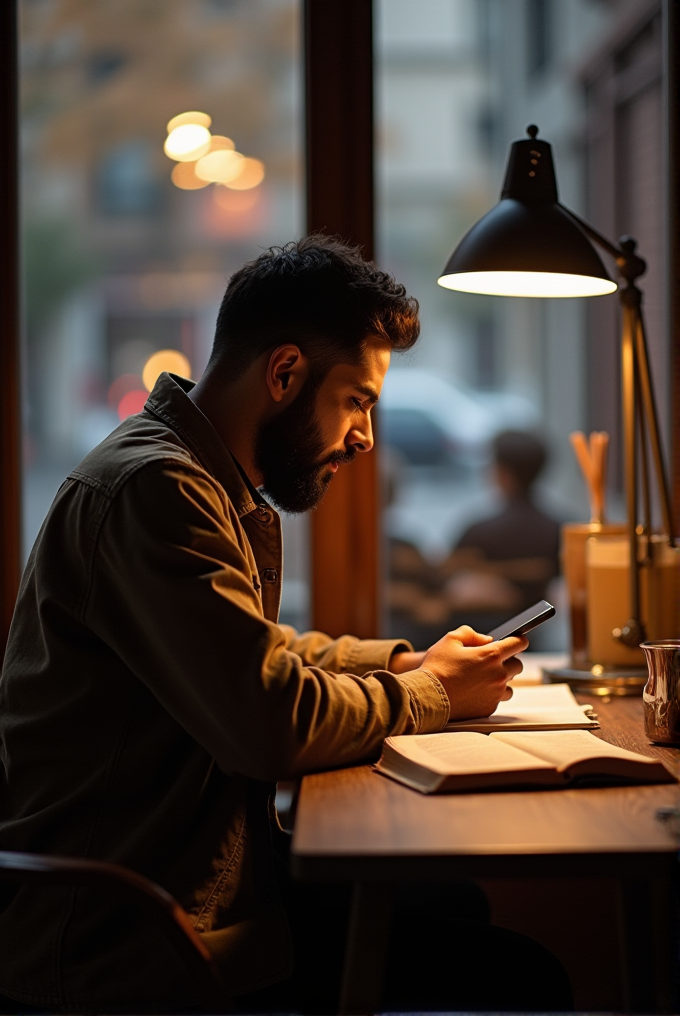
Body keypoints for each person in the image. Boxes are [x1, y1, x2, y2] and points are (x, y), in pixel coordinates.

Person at [0, 237, 570, 1013]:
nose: (366, 437)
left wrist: (409, 662)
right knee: (521, 978)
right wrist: (435, 693)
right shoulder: (154, 491)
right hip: (132, 935)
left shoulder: (194, 478)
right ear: (285, 373)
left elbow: (266, 654)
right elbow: (268, 720)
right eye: (358, 401)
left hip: (195, 890)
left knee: (452, 903)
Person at [444, 429, 561, 637]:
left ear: (502, 472)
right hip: (544, 632)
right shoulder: (558, 528)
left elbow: (448, 577)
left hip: (481, 636)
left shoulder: (480, 531)